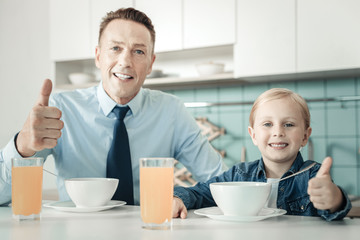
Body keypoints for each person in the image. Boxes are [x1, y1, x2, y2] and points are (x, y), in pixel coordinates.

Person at [0, 8, 225, 205]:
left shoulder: (172, 111)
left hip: (150, 229)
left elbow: (220, 182)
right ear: (98, 56)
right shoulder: (61, 110)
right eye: (115, 48)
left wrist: (183, 196)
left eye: (139, 51)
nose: (125, 61)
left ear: (150, 64)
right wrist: (22, 148)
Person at [172, 88, 352, 221]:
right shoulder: (239, 175)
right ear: (253, 135)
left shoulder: (313, 175)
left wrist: (334, 198)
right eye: (267, 124)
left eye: (288, 124)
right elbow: (199, 193)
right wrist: (177, 198)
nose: (278, 132)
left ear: (305, 136)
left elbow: (336, 208)